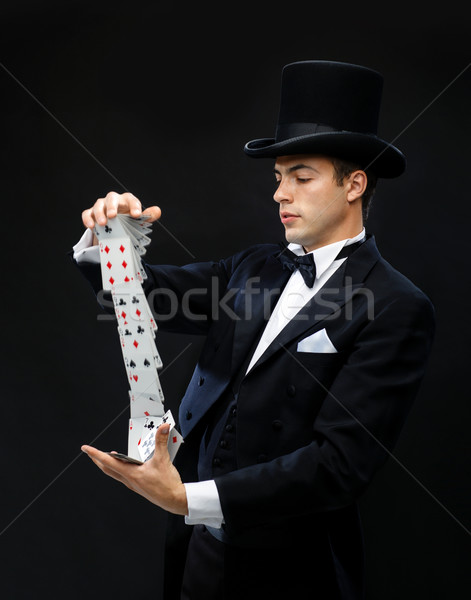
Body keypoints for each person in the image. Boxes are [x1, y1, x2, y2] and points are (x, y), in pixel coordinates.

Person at [75, 61, 435, 599]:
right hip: (200, 552)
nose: (280, 194)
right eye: (277, 178)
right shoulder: (253, 268)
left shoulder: (398, 306)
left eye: (301, 177)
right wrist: (111, 238)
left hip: (295, 570)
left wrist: (184, 499)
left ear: (354, 184)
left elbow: (338, 466)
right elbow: (144, 297)